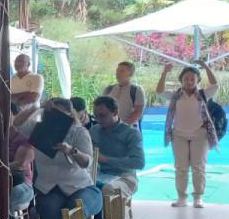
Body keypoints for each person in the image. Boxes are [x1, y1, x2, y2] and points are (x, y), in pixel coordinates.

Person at [20, 99, 101, 219]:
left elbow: (87, 162)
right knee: (48, 208)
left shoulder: (79, 132)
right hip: (49, 185)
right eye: (50, 112)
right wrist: (37, 107)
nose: (52, 116)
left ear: (68, 114)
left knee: (76, 208)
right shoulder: (39, 128)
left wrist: (71, 150)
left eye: (57, 113)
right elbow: (17, 124)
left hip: (80, 185)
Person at [158, 62, 219, 208]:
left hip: (200, 135)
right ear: (181, 80)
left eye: (193, 79)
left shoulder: (203, 94)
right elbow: (159, 91)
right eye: (186, 79)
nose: (190, 81)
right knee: (181, 168)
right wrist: (165, 72)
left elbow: (215, 85)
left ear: (197, 80)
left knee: (198, 167)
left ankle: (198, 197)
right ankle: (182, 198)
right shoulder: (175, 96)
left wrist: (205, 67)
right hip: (179, 135)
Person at [90, 96, 145, 198]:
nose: (98, 120)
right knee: (77, 186)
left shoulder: (131, 133)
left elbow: (139, 163)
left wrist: (106, 160)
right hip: (99, 174)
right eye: (95, 116)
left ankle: (111, 214)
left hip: (125, 177)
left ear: (115, 112)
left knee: (109, 190)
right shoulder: (94, 130)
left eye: (102, 115)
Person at [8, 103, 36, 212]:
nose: (1, 116)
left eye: (7, 113)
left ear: (15, 116)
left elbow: (19, 164)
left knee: (7, 196)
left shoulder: (23, 138)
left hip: (22, 183)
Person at [103, 61, 146, 128]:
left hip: (128, 129)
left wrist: (123, 126)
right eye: (117, 70)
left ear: (130, 74)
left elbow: (138, 111)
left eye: (122, 71)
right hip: (108, 127)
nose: (117, 73)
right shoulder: (109, 89)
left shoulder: (136, 90)